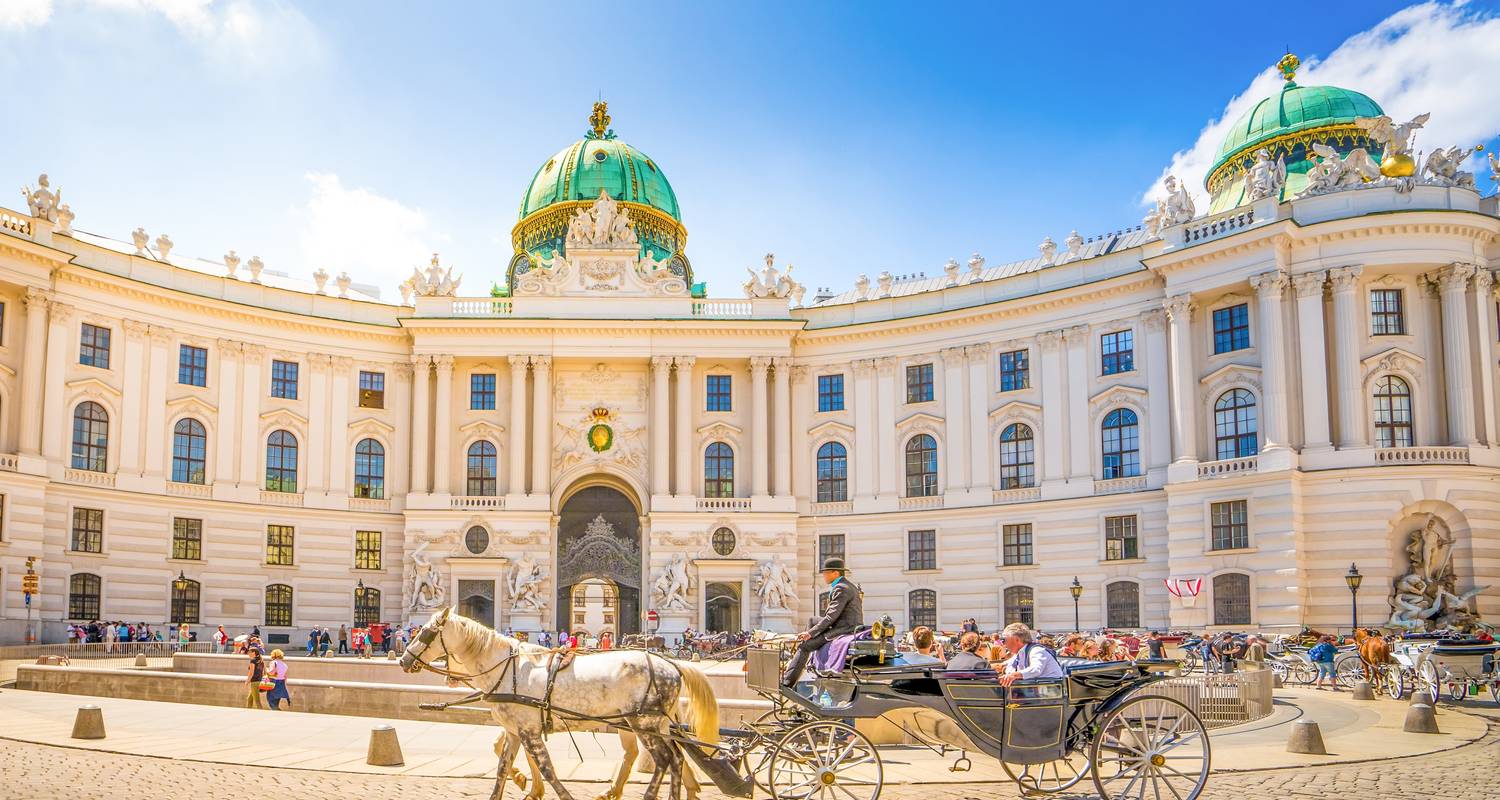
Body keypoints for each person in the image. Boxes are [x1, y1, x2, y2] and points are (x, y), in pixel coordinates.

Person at [780, 557, 863, 686]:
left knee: (805, 646)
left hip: (845, 628)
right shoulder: (845, 585)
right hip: (843, 623)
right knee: (812, 620)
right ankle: (805, 650)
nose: (823, 576)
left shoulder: (841, 588)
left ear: (835, 573)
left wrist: (811, 634)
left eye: (825, 573)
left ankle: (787, 682)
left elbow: (831, 617)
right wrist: (811, 632)